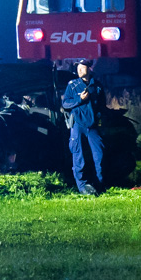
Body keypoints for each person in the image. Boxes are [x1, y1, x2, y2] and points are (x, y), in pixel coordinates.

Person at [61, 58, 106, 195]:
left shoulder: (97, 86)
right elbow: (65, 104)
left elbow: (102, 105)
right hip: (78, 125)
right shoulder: (73, 85)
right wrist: (80, 100)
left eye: (82, 67)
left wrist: (100, 119)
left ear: (89, 68)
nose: (79, 70)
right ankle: (82, 186)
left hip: (92, 125)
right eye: (77, 67)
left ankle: (99, 184)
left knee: (99, 154)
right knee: (78, 155)